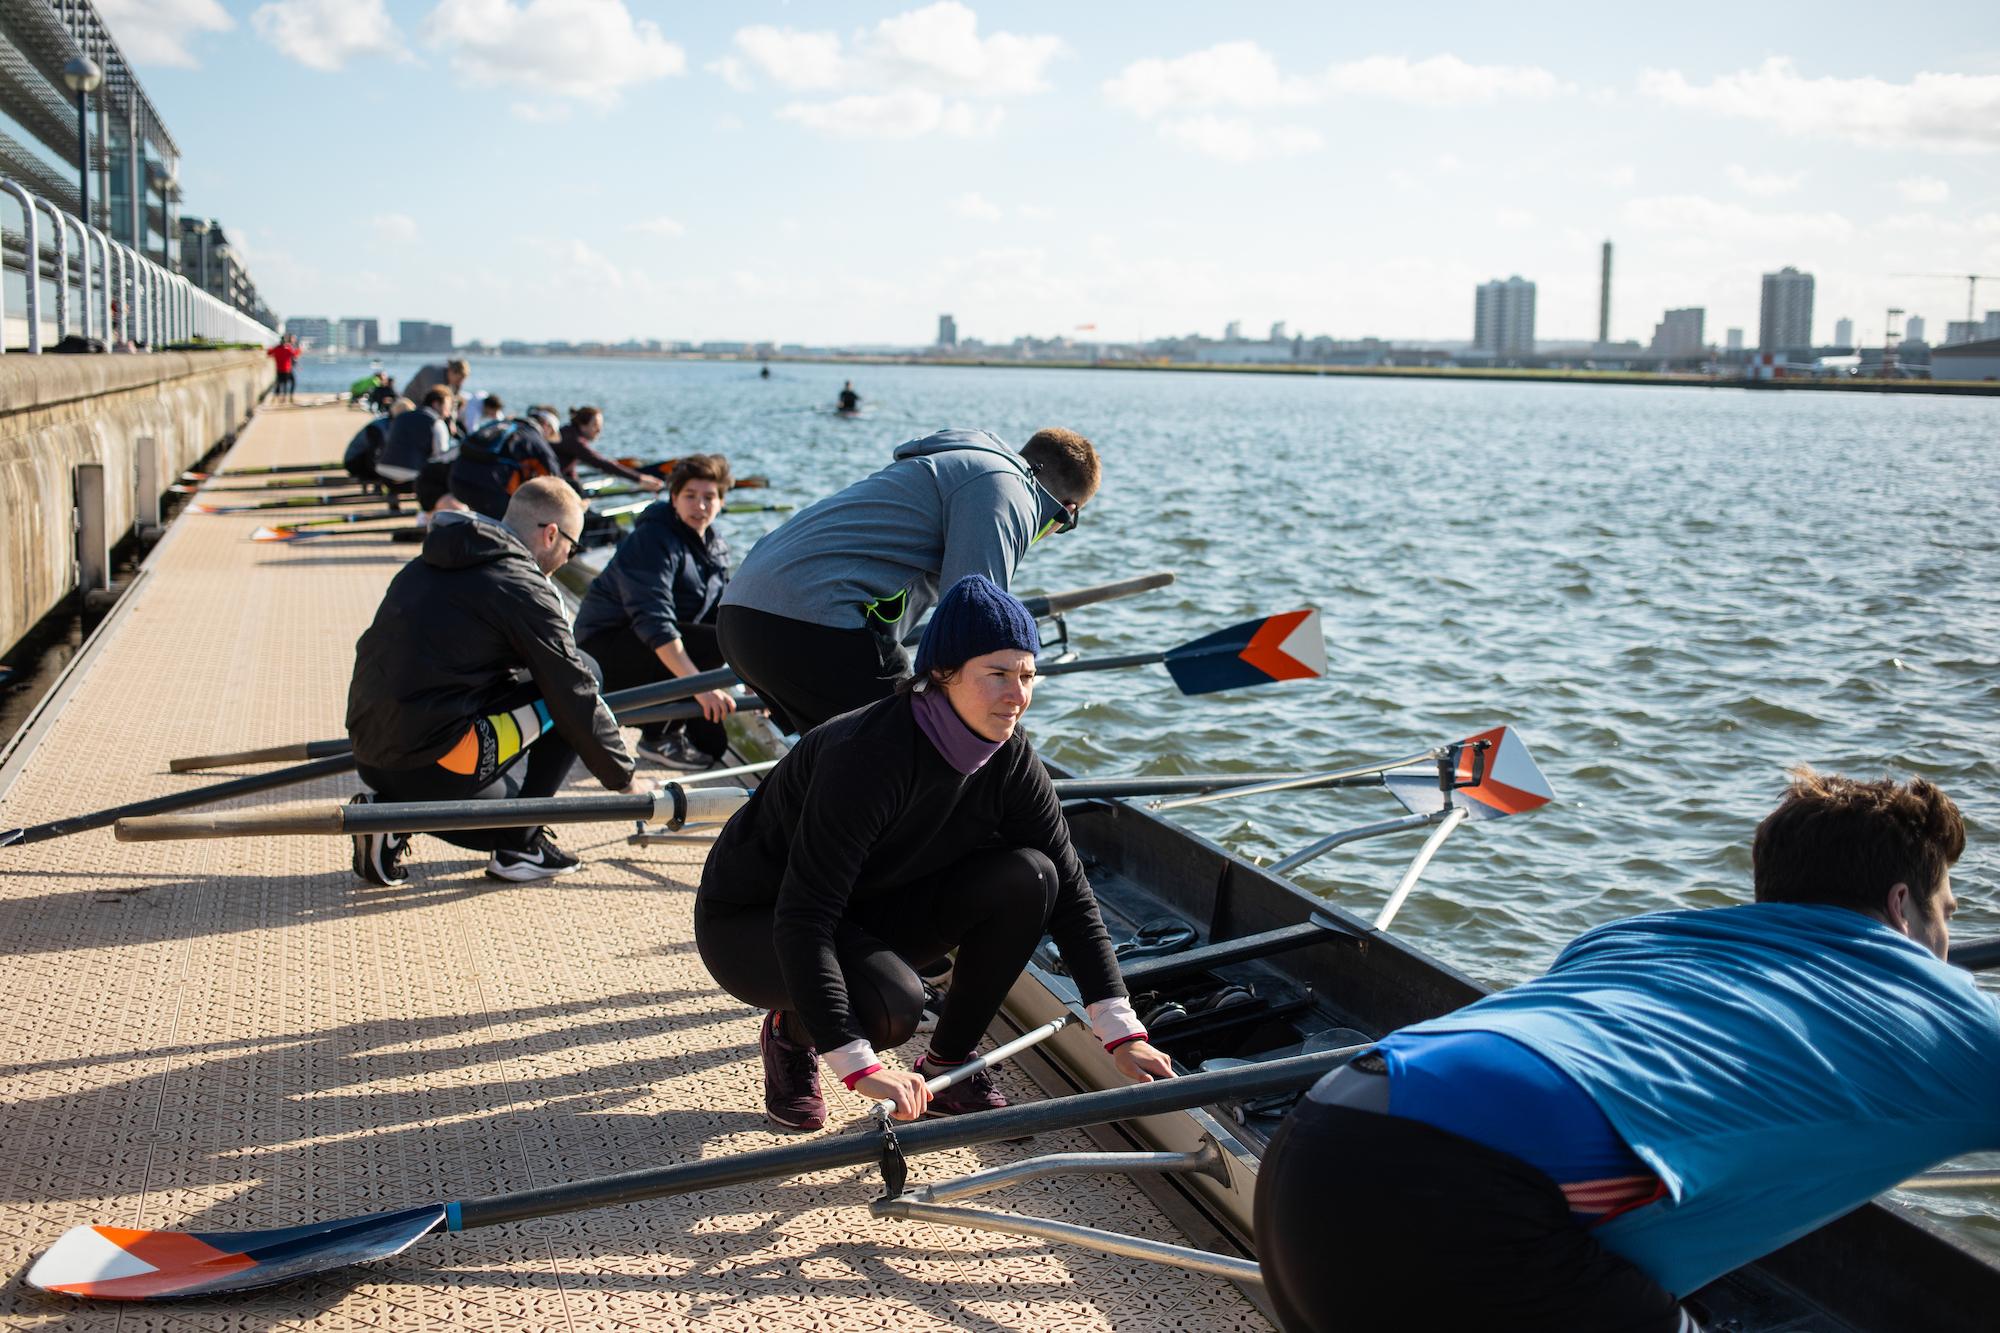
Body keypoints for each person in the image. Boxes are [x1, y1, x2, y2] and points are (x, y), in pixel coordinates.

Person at [1255, 768, 1997, 1333]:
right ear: (1902, 905)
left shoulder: (1640, 937)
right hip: (1465, 1193)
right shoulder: (1938, 1006)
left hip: (1318, 1137)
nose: (1944, 941)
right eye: (1946, 913)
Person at [696, 575, 1173, 1130]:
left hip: (867, 904)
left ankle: (951, 1063)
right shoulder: (869, 755)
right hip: (755, 922)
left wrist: (1120, 1030)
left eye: (1027, 676)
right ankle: (790, 1032)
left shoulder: (1012, 759)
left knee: (1035, 877)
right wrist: (856, 1063)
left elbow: (1072, 895)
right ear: (942, 675)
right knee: (894, 1007)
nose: (1017, 696)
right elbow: (804, 917)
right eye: (996, 675)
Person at [344, 478, 645, 886]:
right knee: (584, 673)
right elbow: (574, 689)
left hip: (368, 751)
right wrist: (624, 778)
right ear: (551, 534)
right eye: (571, 548)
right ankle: (521, 847)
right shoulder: (521, 586)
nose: (567, 558)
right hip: (436, 765)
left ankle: (389, 816)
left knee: (538, 697)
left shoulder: (431, 560)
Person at [717, 427, 1097, 734]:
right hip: (805, 623)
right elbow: (973, 622)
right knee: (919, 745)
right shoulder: (1008, 489)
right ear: (1067, 511)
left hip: (740, 617)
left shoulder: (954, 461)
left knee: (837, 762)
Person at [573, 455, 736, 769]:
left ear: (721, 502)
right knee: (717, 643)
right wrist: (700, 689)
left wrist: (755, 680)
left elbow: (722, 615)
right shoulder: (652, 539)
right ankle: (658, 738)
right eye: (690, 496)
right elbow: (654, 621)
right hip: (603, 653)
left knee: (714, 747)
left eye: (709, 498)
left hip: (653, 647)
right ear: (674, 498)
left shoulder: (715, 545)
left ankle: (670, 724)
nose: (700, 506)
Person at [449, 406, 565, 520]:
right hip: (490, 489)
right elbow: (555, 482)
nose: (548, 439)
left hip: (457, 478)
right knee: (509, 527)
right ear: (546, 425)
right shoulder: (535, 440)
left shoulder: (502, 424)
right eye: (550, 434)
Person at [554, 406, 663, 491]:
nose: (599, 430)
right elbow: (601, 463)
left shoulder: (568, 432)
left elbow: (571, 469)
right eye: (595, 425)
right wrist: (639, 479)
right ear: (582, 425)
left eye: (601, 425)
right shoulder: (574, 441)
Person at [377, 387, 455, 500]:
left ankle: (393, 495)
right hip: (412, 480)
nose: (448, 413)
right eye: (447, 407)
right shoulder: (436, 423)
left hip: (384, 474)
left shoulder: (402, 417)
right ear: (436, 404)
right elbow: (441, 456)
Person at [342, 398, 409, 485]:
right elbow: (374, 454)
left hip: (366, 458)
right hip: (354, 462)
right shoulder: (378, 428)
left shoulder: (390, 423)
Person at [403, 359, 468, 422]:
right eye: (459, 379)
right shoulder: (434, 378)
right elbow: (430, 404)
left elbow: (453, 402)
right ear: (451, 372)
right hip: (412, 403)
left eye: (462, 380)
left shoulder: (455, 383)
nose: (460, 383)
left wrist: (452, 420)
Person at [267, 336, 299, 403]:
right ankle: (288, 397)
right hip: (287, 370)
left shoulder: (276, 349)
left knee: (279, 383)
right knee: (290, 382)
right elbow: (295, 354)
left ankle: (275, 398)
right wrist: (299, 349)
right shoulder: (288, 349)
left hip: (279, 369)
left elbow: (269, 353)